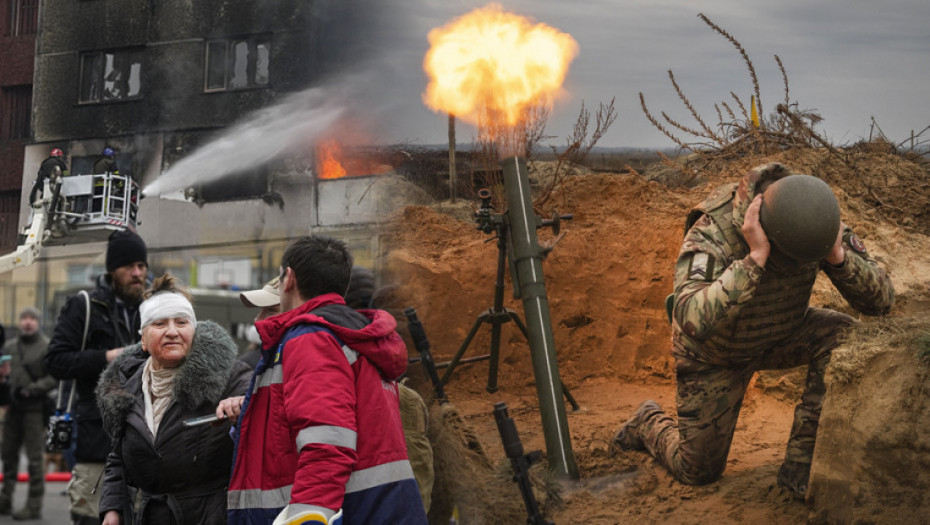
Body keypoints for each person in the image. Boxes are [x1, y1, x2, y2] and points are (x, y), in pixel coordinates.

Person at [612, 163, 895, 500]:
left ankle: (800, 467)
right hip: (716, 355)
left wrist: (836, 256)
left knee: (843, 334)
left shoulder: (811, 221)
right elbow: (689, 319)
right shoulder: (712, 232)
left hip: (781, 333)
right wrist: (756, 259)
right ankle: (646, 420)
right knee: (698, 472)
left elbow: (882, 302)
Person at [224, 235, 427, 524]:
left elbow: (326, 442)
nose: (259, 319)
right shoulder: (351, 336)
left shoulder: (311, 338)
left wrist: (308, 517)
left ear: (289, 278)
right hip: (376, 510)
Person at [96, 275, 252, 524]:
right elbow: (118, 456)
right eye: (159, 324)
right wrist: (112, 509)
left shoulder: (228, 376)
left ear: (194, 330)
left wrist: (243, 404)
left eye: (181, 322)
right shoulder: (125, 387)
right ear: (143, 340)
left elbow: (261, 406)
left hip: (210, 516)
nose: (172, 332)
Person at [45, 229, 149, 525]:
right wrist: (106, 357)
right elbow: (55, 361)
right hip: (96, 444)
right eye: (130, 266)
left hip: (146, 444)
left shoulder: (154, 308)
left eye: (142, 266)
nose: (138, 272)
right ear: (112, 270)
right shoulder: (83, 306)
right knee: (92, 518)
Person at [0, 308, 56, 520]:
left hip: (34, 409)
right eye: (24, 318)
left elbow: (54, 376)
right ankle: (5, 500)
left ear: (37, 322)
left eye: (32, 318)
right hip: (12, 409)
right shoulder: (10, 346)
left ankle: (33, 506)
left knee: (34, 459)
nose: (27, 323)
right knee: (7, 456)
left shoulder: (46, 346)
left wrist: (31, 389)